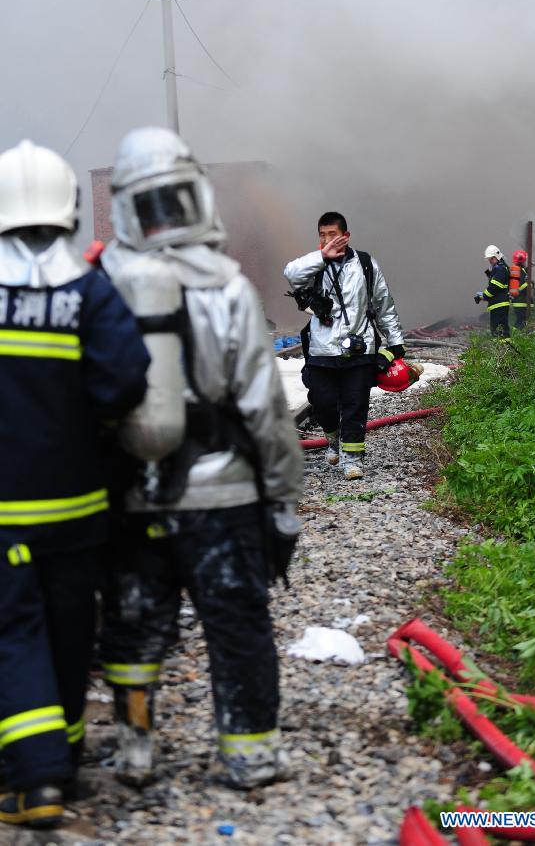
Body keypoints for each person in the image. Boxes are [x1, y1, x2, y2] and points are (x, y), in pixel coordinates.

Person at [99, 127, 304, 790]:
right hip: (226, 496)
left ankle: (135, 750)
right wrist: (281, 501)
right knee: (237, 624)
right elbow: (263, 407)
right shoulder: (229, 288)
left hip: (137, 494)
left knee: (133, 627)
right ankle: (249, 756)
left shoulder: (103, 289)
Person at [0, 141, 149, 828]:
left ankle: (34, 782)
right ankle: (63, 759)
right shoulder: (89, 288)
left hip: (6, 511)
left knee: (13, 633)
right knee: (67, 631)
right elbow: (125, 379)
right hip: (79, 507)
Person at [284, 211, 405, 481]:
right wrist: (321, 257)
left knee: (355, 404)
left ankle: (352, 460)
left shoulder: (365, 264)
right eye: (323, 236)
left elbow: (383, 303)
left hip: (359, 349)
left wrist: (396, 342)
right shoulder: (313, 266)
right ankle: (333, 437)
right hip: (321, 351)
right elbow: (290, 274)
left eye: (333, 235)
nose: (328, 240)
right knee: (323, 403)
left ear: (346, 236)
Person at [474, 245, 510, 339]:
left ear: (497, 256)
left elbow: (494, 287)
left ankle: (503, 348)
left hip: (499, 304)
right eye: (489, 259)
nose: (490, 261)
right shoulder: (501, 268)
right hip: (498, 304)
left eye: (491, 259)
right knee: (499, 328)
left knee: (499, 329)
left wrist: (483, 296)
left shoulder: (500, 269)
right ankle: (502, 348)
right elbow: (495, 286)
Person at [511, 249, 531, 330]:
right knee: (521, 322)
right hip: (521, 301)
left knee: (520, 321)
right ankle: (516, 336)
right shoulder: (519, 271)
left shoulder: (520, 270)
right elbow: (521, 287)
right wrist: (529, 283)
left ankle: (516, 336)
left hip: (519, 301)